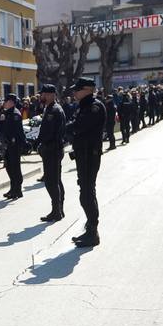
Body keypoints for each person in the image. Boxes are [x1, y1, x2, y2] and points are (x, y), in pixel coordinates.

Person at [68, 78, 105, 246]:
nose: (74, 93)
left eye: (77, 89)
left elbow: (77, 126)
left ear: (87, 89)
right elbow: (74, 126)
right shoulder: (84, 106)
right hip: (83, 154)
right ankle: (90, 228)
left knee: (87, 192)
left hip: (90, 154)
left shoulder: (94, 107)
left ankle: (93, 232)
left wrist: (67, 127)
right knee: (85, 191)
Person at [37, 84, 67, 223]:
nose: (41, 96)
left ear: (51, 95)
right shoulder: (49, 108)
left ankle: (57, 211)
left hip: (52, 149)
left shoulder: (54, 110)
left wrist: (43, 144)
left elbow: (52, 133)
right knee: (55, 180)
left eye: (43, 94)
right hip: (51, 149)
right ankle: (58, 209)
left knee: (51, 181)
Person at [0, 95, 26, 200]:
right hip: (8, 144)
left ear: (11, 102)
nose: (4, 103)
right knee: (9, 167)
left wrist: (21, 143)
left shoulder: (15, 114)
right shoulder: (7, 113)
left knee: (15, 168)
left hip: (14, 145)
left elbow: (18, 131)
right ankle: (13, 188)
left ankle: (17, 189)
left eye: (6, 101)